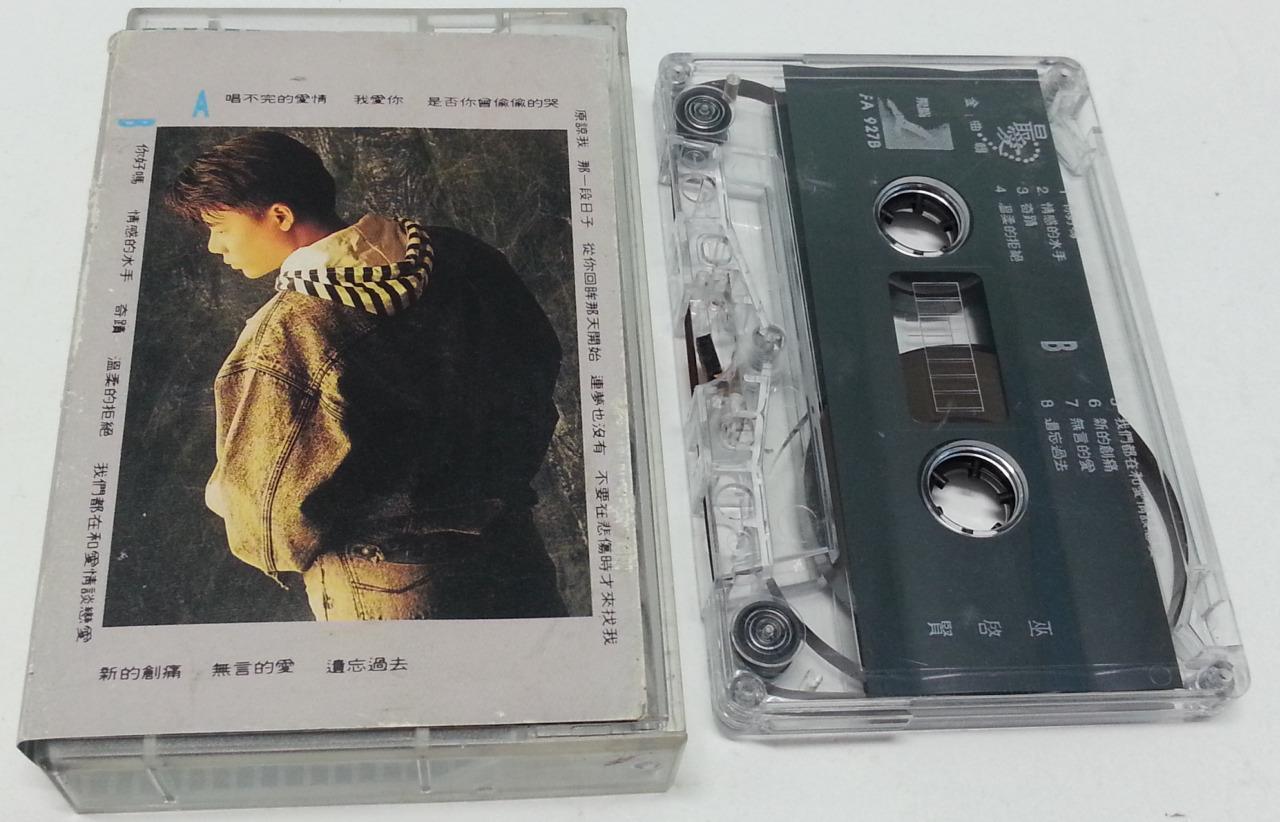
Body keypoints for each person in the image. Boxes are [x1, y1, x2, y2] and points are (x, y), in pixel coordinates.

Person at [163, 130, 568, 621]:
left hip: (387, 580)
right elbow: (539, 362)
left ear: (280, 215)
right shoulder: (459, 253)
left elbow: (268, 513)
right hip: (510, 549)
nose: (214, 246)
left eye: (221, 228)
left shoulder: (292, 327)